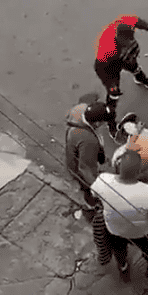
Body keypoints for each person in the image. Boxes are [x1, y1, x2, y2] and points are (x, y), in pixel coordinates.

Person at [90, 151, 148, 281]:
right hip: (142, 233)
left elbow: (93, 197)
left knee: (119, 251)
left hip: (114, 230)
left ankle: (123, 269)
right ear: (138, 172)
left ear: (119, 166)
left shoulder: (103, 180)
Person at [94, 15, 148, 125]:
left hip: (124, 58)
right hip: (109, 66)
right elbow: (100, 69)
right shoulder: (107, 49)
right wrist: (112, 85)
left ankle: (140, 78)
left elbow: (137, 21)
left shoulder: (124, 24)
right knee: (114, 95)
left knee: (134, 66)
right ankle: (111, 122)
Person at [64, 101, 113, 257]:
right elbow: (84, 169)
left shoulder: (80, 110)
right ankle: (92, 205)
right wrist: (98, 189)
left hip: (74, 150)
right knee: (88, 189)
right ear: (97, 122)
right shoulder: (89, 141)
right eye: (103, 122)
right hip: (80, 166)